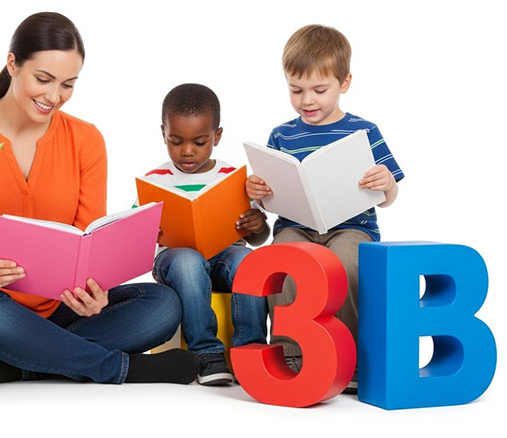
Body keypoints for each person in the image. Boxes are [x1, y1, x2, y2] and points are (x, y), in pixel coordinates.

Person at [0, 12, 198, 389]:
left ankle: (18, 366)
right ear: (12, 64)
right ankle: (118, 368)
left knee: (163, 305)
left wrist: (95, 292)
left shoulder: (86, 140)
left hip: (62, 309)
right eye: (43, 79)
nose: (54, 97)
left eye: (68, 84)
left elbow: (89, 238)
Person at [245, 24, 404, 392]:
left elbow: (390, 196)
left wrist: (387, 184)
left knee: (346, 264)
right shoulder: (282, 135)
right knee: (283, 260)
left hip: (352, 228)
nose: (307, 100)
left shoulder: (365, 131)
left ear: (344, 82)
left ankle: (346, 356)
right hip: (295, 227)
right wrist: (259, 191)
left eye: (319, 90)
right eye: (295, 90)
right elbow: (267, 199)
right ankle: (293, 354)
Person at [142, 83, 269, 386]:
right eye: (175, 141)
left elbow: (258, 238)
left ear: (217, 136)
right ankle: (206, 354)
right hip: (176, 263)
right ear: (163, 134)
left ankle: (250, 350)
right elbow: (135, 242)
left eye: (200, 142)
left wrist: (257, 226)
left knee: (248, 261)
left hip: (224, 257)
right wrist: (148, 233)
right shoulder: (154, 180)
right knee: (188, 262)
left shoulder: (232, 178)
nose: (187, 151)